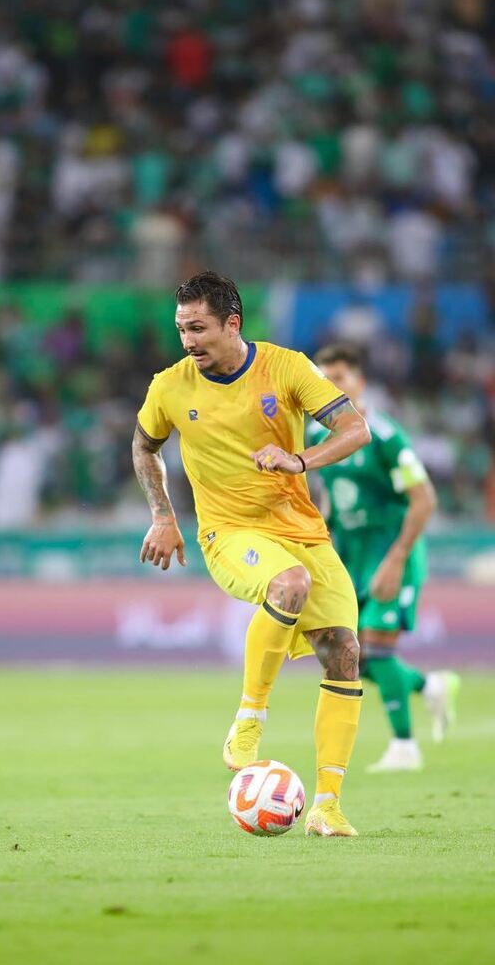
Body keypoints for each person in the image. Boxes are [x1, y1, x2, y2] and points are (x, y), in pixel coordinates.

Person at [132, 271, 371, 837]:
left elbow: (354, 429)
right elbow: (144, 447)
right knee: (288, 584)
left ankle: (328, 805)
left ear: (232, 323)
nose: (188, 340)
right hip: (229, 533)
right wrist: (164, 516)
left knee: (343, 651)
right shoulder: (170, 386)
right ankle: (249, 719)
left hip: (302, 528)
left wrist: (301, 460)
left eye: (198, 328)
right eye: (181, 329)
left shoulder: (286, 368)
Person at [311, 344, 459, 772]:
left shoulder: (386, 436)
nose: (331, 386)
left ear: (360, 382)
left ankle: (404, 746)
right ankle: (429, 685)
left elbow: (424, 500)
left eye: (339, 377)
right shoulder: (320, 439)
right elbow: (332, 506)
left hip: (392, 554)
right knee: (337, 655)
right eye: (325, 379)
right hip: (350, 558)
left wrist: (395, 561)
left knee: (373, 652)